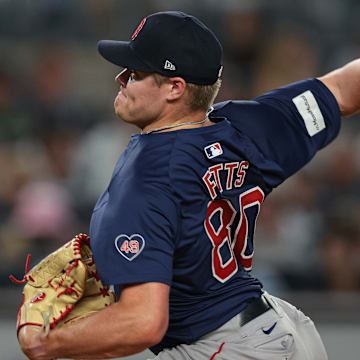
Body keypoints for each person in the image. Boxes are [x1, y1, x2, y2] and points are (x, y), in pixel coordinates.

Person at [18, 10, 360, 360]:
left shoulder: (145, 178)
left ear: (175, 88)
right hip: (284, 328)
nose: (121, 78)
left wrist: (48, 343)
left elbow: (142, 323)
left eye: (136, 73)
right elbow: (344, 88)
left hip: (221, 346)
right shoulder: (247, 126)